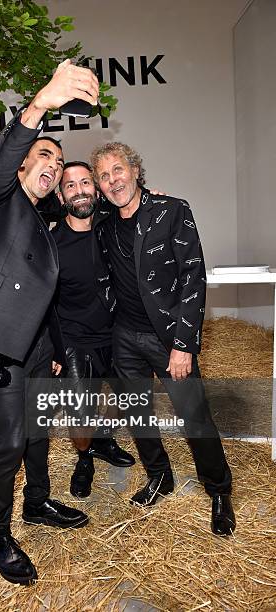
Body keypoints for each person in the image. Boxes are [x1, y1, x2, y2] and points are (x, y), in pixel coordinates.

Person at [0, 60, 99, 586]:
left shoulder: (41, 217)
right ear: (20, 166)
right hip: (4, 348)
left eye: (57, 160)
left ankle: (36, 504)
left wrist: (54, 347)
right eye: (43, 156)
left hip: (37, 347)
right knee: (10, 441)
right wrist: (40, 106)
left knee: (38, 434)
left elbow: (46, 295)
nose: (52, 165)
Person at [89, 142, 236, 536]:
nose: (112, 180)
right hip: (124, 337)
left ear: (135, 170)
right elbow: (61, 206)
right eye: (103, 176)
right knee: (137, 414)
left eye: (117, 170)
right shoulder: (103, 221)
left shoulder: (172, 210)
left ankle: (219, 491)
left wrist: (184, 344)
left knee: (195, 415)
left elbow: (194, 276)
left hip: (167, 336)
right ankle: (159, 477)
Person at [52, 161, 135, 498]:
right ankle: (84, 456)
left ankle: (103, 439)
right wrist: (53, 350)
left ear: (96, 189)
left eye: (85, 182)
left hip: (118, 335)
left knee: (123, 398)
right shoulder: (51, 242)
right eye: (70, 185)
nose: (80, 190)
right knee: (80, 413)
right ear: (60, 196)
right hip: (74, 341)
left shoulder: (112, 227)